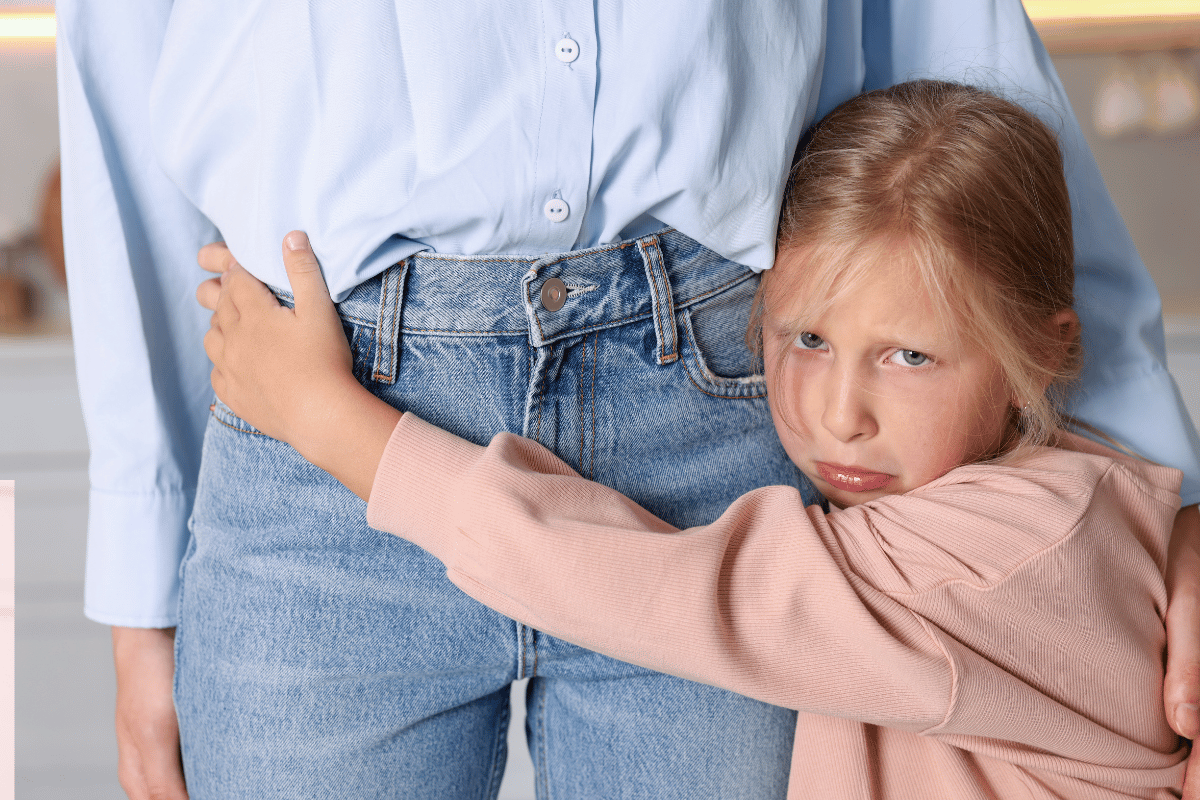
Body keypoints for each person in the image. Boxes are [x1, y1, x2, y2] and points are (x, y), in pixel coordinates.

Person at [56, 1, 1200, 797]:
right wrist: (141, 586)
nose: (859, 405)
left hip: (708, 408)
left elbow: (980, 104)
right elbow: (119, 78)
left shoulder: (973, 541)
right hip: (317, 387)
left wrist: (1169, 522)